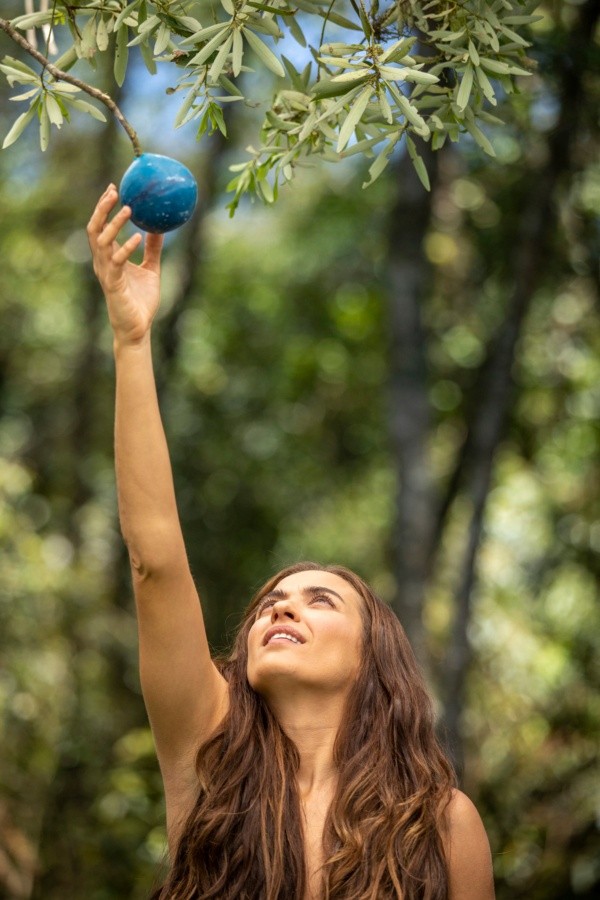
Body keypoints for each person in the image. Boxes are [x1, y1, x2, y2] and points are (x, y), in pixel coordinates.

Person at [87, 186, 495, 900]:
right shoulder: (206, 754)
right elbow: (153, 557)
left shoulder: (444, 824)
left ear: (375, 655)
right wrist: (131, 340)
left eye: (319, 600)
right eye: (270, 602)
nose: (280, 609)